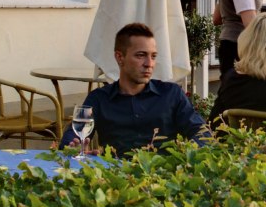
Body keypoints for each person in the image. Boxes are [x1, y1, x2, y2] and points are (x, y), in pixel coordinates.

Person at [63, 23, 210, 154]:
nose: (149, 63)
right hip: (114, 179)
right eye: (141, 55)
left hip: (164, 178)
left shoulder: (171, 94)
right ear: (120, 57)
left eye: (153, 56)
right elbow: (74, 135)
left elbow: (202, 134)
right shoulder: (99, 99)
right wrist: (74, 147)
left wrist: (188, 156)